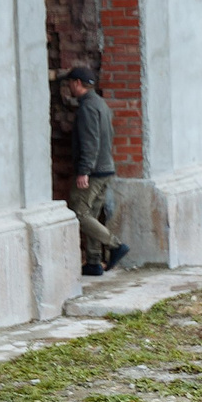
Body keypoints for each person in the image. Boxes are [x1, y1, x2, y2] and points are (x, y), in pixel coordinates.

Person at [62, 67, 128, 277]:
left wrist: (84, 171)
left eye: (70, 83)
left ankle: (115, 245)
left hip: (94, 171)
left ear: (77, 83)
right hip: (105, 168)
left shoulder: (88, 108)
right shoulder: (100, 104)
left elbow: (90, 142)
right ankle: (93, 262)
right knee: (91, 215)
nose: (69, 87)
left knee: (79, 213)